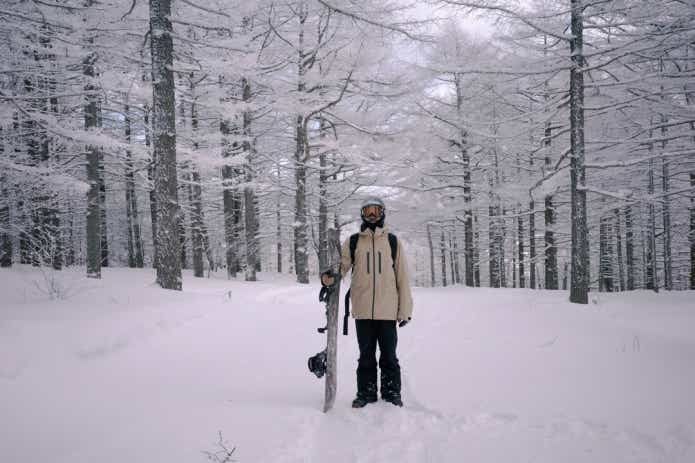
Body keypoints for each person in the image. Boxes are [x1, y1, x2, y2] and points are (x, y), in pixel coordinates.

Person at [321, 197, 413, 408]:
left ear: (382, 213)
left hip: (388, 310)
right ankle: (366, 393)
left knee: (389, 355)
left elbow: (402, 277)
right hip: (362, 309)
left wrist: (405, 310)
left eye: (376, 211)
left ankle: (391, 394)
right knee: (366, 356)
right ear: (362, 214)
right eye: (368, 211)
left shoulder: (392, 241)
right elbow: (340, 268)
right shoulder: (353, 242)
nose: (372, 215)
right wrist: (328, 277)